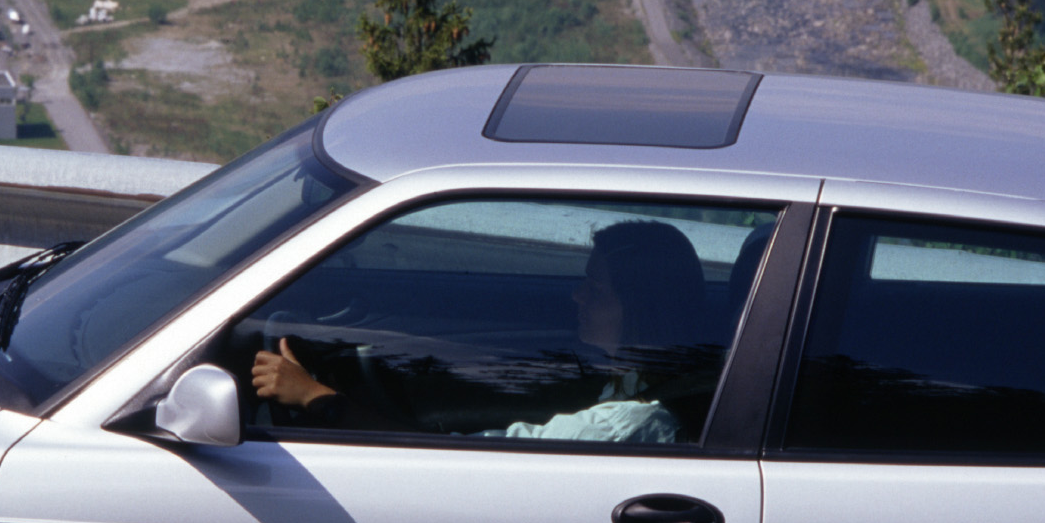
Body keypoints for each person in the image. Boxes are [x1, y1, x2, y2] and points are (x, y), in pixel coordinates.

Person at [250, 219, 716, 440]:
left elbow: (450, 464)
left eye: (596, 289)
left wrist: (317, 399)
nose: (578, 297)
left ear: (637, 307)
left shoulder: (627, 424)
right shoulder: (636, 382)